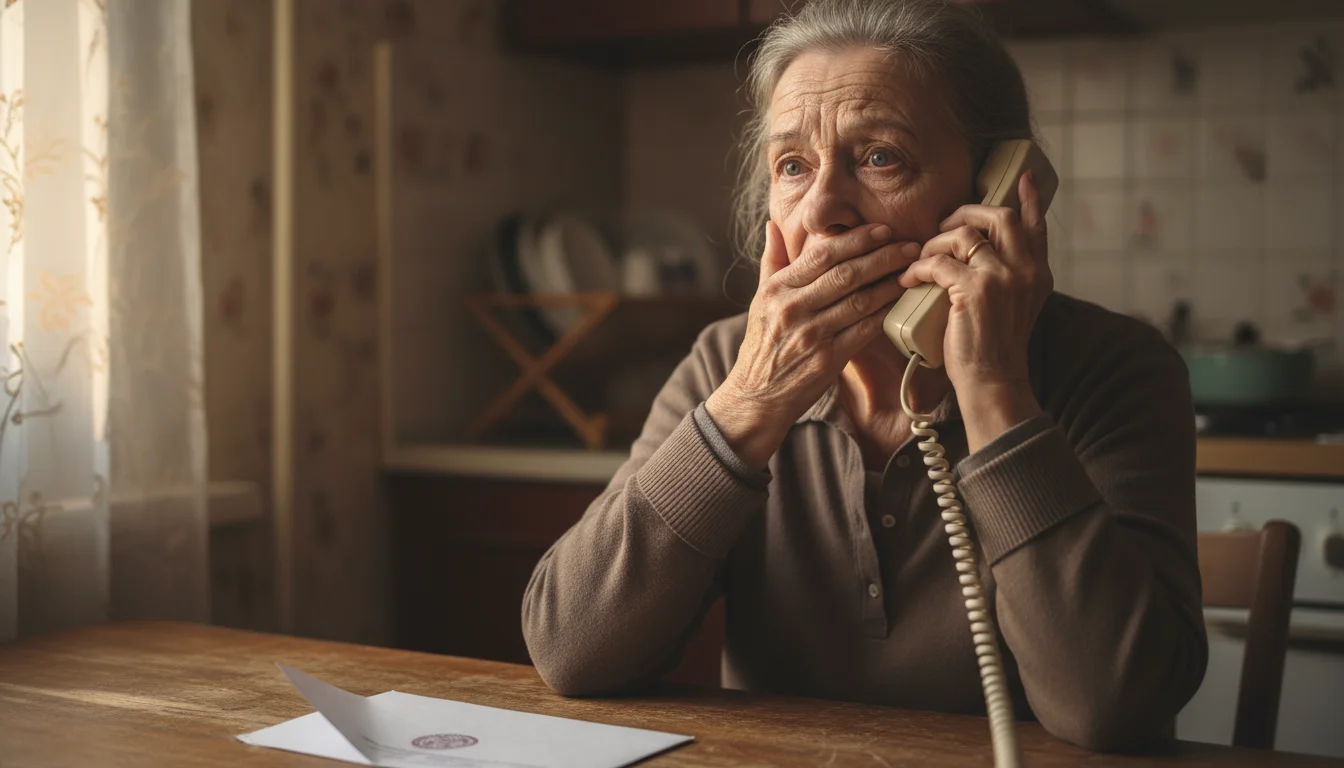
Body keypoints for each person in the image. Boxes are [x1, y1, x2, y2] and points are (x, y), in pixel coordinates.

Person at [521, 0, 1207, 751]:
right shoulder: (727, 363)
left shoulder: (1116, 370)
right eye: (792, 166)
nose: (822, 210)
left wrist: (994, 391)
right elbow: (571, 651)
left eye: (880, 156)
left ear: (996, 192)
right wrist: (750, 405)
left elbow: (1116, 706)